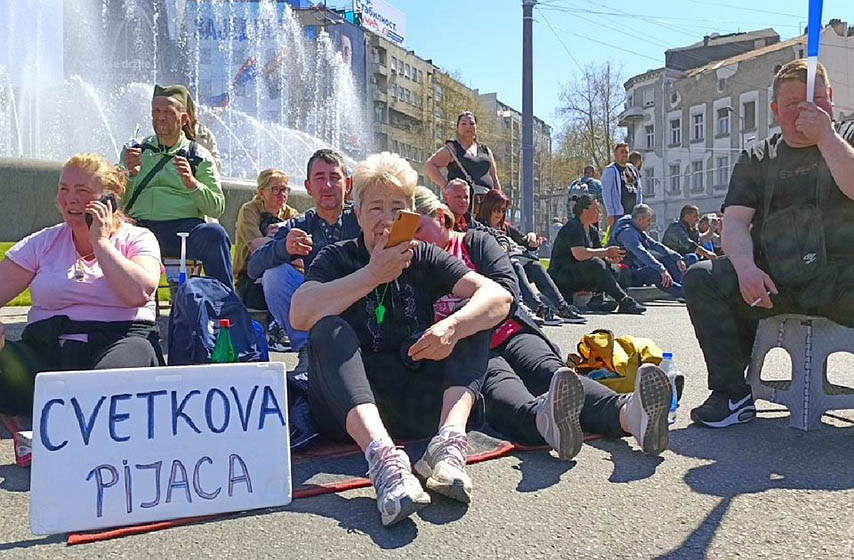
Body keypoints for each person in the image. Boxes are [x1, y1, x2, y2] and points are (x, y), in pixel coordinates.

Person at [292, 152, 513, 526]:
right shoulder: (336, 257)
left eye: (397, 207)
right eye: (375, 207)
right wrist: (372, 275)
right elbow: (300, 312)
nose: (386, 218)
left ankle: (447, 444)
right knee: (327, 329)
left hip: (415, 401)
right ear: (357, 213)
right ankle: (383, 460)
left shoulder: (424, 255)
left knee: (473, 320)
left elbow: (499, 296)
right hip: (352, 411)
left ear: (411, 213)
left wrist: (452, 327)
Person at [412, 186, 672, 460]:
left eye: (418, 230)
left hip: (509, 332)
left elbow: (508, 291)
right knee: (504, 394)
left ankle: (630, 415)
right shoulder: (414, 263)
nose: (414, 240)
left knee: (554, 376)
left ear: (441, 217)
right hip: (472, 353)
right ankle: (546, 421)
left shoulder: (474, 243)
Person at [684, 60, 854, 428]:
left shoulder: (847, 139)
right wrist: (745, 269)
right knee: (702, 278)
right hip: (775, 278)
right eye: (792, 103)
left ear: (832, 100)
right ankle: (732, 394)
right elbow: (734, 222)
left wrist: (827, 138)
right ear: (775, 111)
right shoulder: (758, 157)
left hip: (841, 277)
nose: (805, 109)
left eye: (816, 99)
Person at [0, 153, 163, 416]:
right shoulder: (44, 242)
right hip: (48, 349)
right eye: (64, 189)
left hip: (119, 342)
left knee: (101, 386)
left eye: (83, 190)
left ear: (109, 199)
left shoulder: (137, 239)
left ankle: (76, 422)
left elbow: (139, 293)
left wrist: (101, 242)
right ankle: (28, 424)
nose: (71, 199)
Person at [247, 149, 360, 370]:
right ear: (308, 187)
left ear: (348, 184)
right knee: (274, 275)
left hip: (358, 304)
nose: (327, 186)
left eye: (334, 178)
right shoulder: (298, 225)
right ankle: (307, 347)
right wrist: (284, 247)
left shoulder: (362, 218)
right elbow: (253, 268)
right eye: (320, 178)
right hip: (316, 308)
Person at [121, 84, 232, 287]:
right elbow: (118, 203)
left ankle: (225, 305)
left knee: (215, 236)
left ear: (183, 119)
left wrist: (192, 184)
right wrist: (130, 175)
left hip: (184, 229)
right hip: (141, 227)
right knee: (111, 231)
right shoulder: (135, 152)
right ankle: (122, 306)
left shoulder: (198, 156)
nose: (160, 117)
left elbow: (217, 206)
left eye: (168, 112)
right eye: (156, 111)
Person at [475, 189, 585, 323]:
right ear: (488, 208)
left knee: (535, 266)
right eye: (497, 209)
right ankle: (539, 309)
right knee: (515, 265)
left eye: (503, 210)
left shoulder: (505, 228)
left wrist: (532, 239)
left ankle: (561, 307)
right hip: (493, 271)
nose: (500, 214)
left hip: (512, 266)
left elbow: (525, 241)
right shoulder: (478, 227)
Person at [549, 194, 646, 314]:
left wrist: (612, 258)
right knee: (596, 264)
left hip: (579, 271)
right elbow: (579, 254)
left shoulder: (592, 231)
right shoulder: (573, 227)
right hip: (562, 274)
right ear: (585, 211)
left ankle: (597, 299)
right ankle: (624, 301)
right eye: (596, 209)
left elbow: (599, 253)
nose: (599, 212)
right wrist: (606, 252)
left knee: (618, 269)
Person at [233, 168, 299, 310]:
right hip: (250, 276)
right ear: (261, 192)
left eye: (285, 189)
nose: (283, 194)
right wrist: (285, 243)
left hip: (282, 269)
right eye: (276, 190)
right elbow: (256, 246)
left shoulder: (291, 213)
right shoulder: (249, 210)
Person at [425, 111, 501, 212]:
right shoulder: (452, 148)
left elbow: (494, 178)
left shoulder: (485, 150)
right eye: (464, 123)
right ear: (457, 127)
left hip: (486, 204)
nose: (468, 126)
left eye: (471, 123)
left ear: (476, 127)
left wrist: (499, 201)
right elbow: (429, 165)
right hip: (462, 206)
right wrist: (446, 187)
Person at [610, 204, 688, 300]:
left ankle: (684, 288)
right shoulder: (627, 233)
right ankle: (686, 294)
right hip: (625, 274)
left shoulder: (636, 228)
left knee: (669, 260)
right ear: (639, 220)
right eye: (648, 220)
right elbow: (641, 252)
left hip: (636, 269)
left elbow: (655, 245)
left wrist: (677, 257)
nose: (650, 223)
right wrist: (661, 269)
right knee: (654, 272)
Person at [601, 143, 642, 228]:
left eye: (626, 152)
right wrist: (610, 212)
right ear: (616, 154)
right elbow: (606, 193)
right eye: (622, 152)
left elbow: (639, 190)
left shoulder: (632, 169)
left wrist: (639, 210)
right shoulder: (610, 170)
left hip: (633, 214)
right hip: (618, 214)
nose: (624, 154)